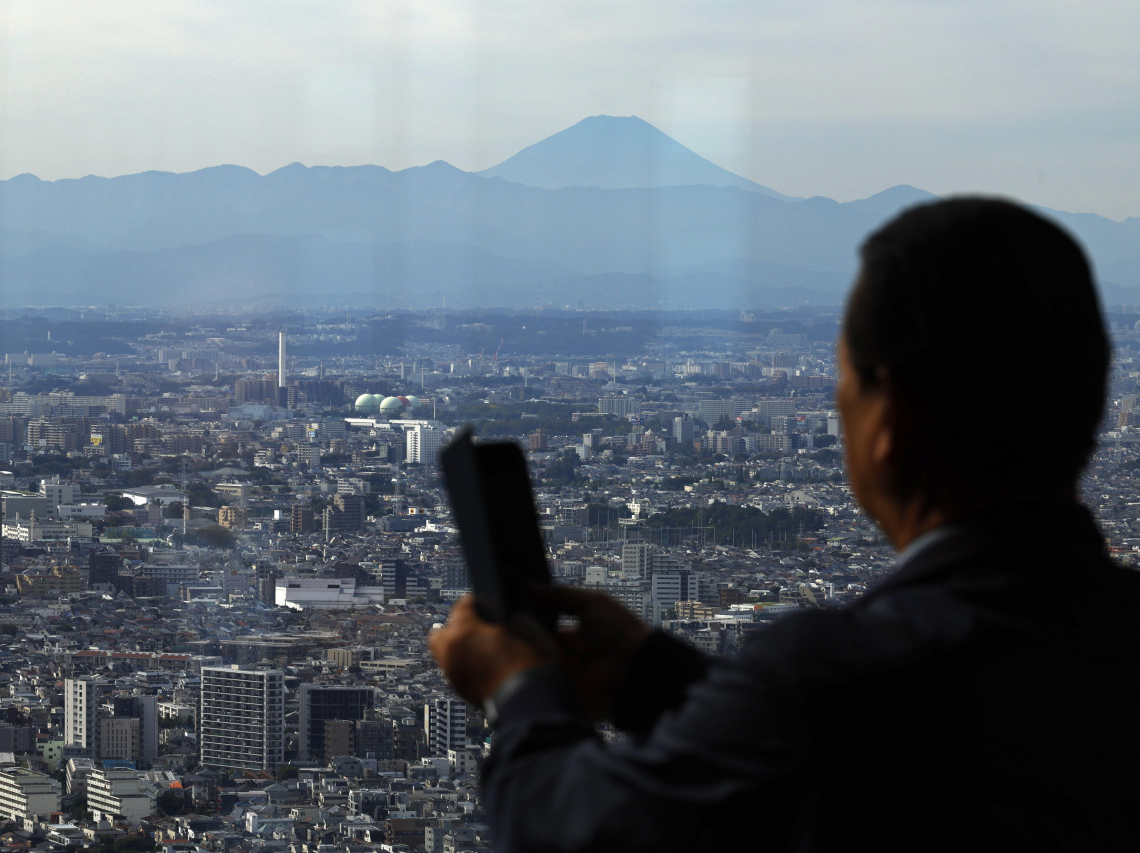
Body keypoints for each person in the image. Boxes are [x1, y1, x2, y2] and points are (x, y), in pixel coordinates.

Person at [429, 197, 1140, 851]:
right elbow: (871, 764)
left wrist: (517, 693)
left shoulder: (835, 673)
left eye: (843, 383)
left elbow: (579, 830)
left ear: (889, 417)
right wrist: (651, 679)